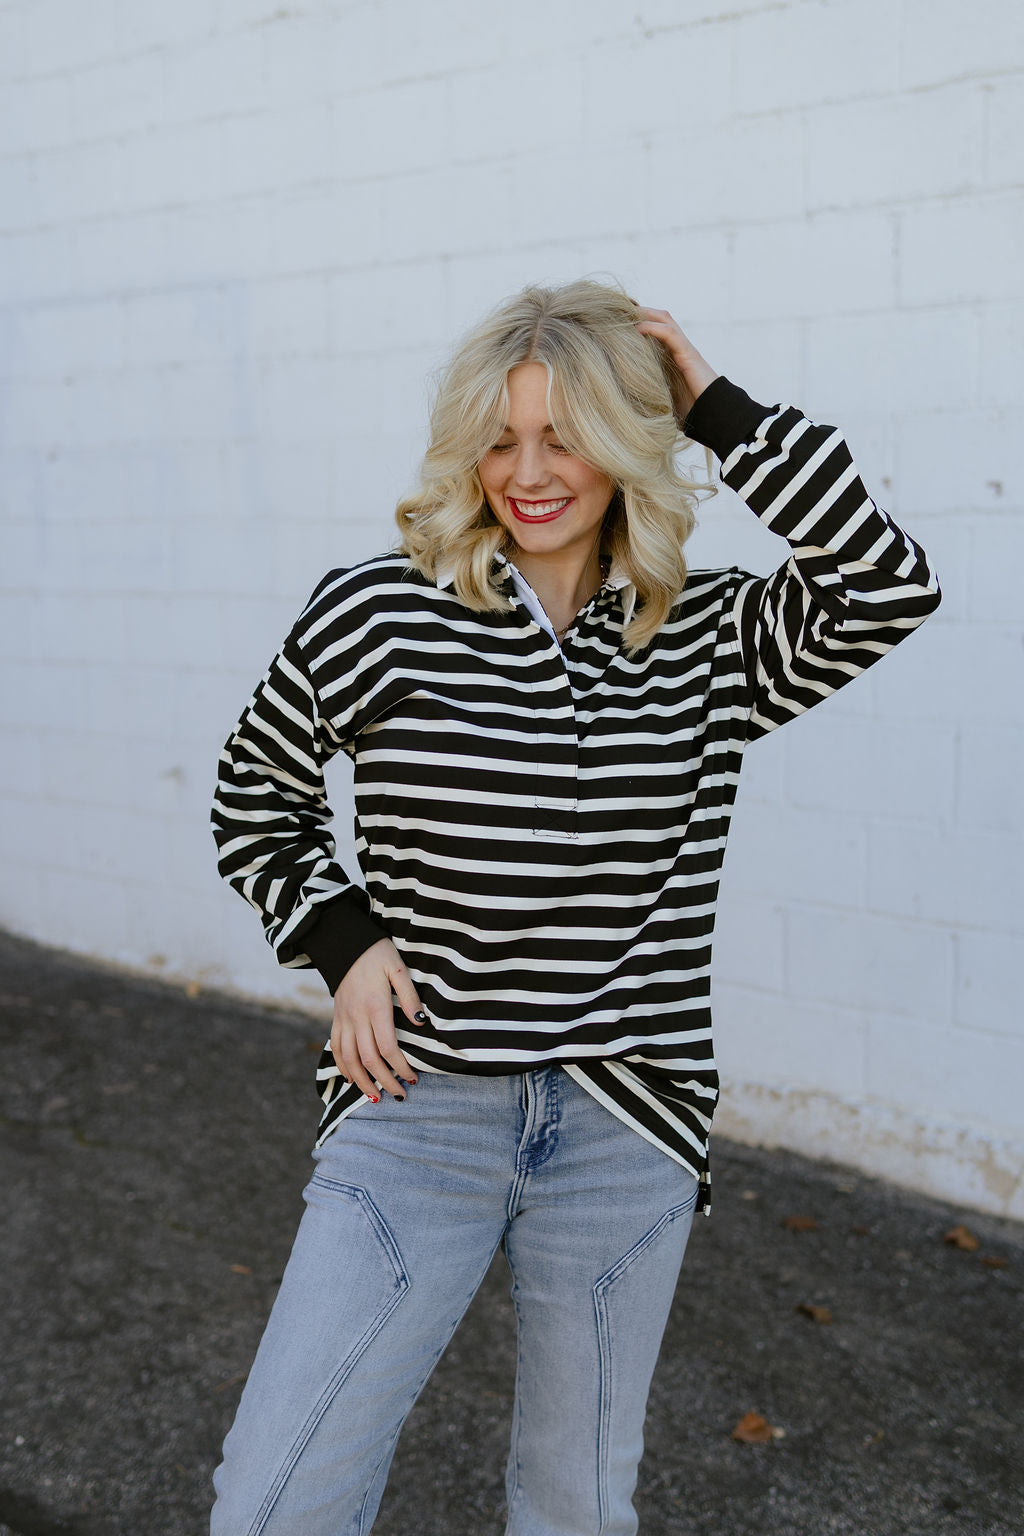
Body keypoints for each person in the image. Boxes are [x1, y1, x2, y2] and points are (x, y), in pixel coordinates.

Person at [209, 279, 941, 1535]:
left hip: (623, 1118)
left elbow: (884, 584)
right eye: (500, 438)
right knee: (277, 1497)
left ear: (624, 443)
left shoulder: (706, 635)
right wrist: (345, 941)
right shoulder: (375, 612)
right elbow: (253, 794)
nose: (529, 472)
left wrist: (718, 408)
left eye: (566, 436)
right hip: (417, 1105)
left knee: (574, 1506)